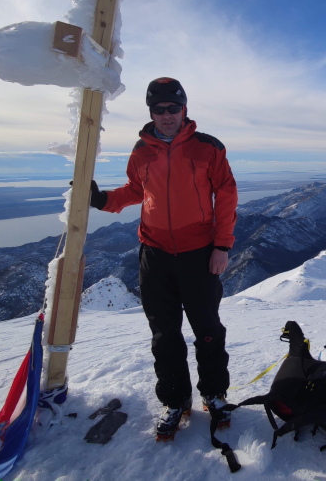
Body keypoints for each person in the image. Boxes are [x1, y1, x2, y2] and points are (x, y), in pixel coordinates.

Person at [88, 77, 237, 439]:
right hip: (154, 255)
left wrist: (222, 247)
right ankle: (175, 399)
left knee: (208, 331)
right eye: (160, 109)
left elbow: (227, 194)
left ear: (184, 109)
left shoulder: (208, 148)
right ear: (151, 111)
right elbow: (136, 191)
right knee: (164, 336)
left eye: (174, 108)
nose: (167, 115)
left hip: (199, 255)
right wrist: (103, 200)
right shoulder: (142, 150)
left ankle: (214, 396)